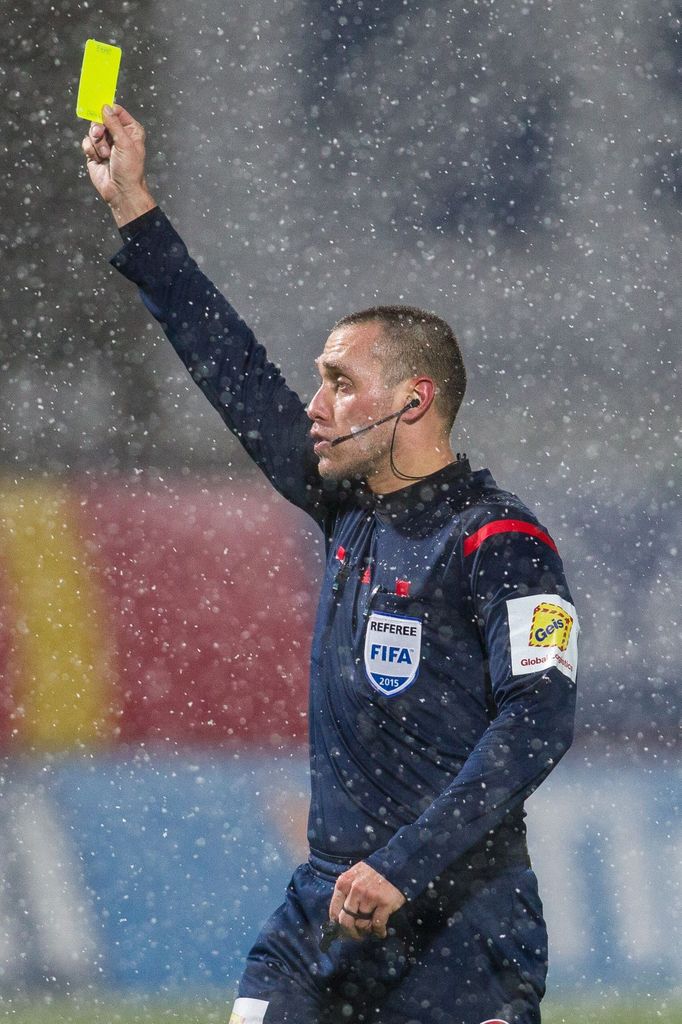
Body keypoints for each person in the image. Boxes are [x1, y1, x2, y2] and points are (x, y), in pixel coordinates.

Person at [82, 104, 579, 1024]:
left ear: (414, 402)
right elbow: (233, 370)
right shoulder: (346, 509)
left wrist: (402, 864)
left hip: (463, 931)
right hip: (324, 914)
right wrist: (137, 211)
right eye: (319, 379)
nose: (315, 404)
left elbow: (537, 724)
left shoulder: (501, 544)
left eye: (341, 383)